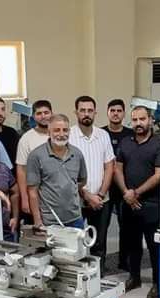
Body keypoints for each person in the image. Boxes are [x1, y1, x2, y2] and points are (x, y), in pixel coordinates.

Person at [115, 106, 160, 298]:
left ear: (150, 120)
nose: (138, 123)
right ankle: (134, 277)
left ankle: (157, 284)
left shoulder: (159, 145)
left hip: (151, 204)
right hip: (128, 203)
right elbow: (117, 169)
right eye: (135, 120)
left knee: (154, 247)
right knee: (132, 244)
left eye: (142, 119)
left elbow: (159, 174)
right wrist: (126, 193)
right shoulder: (125, 143)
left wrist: (136, 192)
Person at [69, 96, 115, 270]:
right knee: (75, 242)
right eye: (82, 110)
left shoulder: (103, 135)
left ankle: (98, 276)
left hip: (101, 199)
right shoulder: (69, 136)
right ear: (76, 112)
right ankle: (77, 275)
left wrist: (100, 195)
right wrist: (87, 195)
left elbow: (109, 167)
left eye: (90, 110)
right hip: (76, 200)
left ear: (95, 112)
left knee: (99, 241)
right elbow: (68, 172)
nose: (86, 114)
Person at [27, 114, 88, 230]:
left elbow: (82, 181)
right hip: (49, 221)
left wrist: (68, 189)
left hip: (75, 219)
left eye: (65, 130)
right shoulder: (36, 156)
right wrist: (37, 221)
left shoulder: (77, 154)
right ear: (49, 132)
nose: (61, 134)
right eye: (56, 130)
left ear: (69, 131)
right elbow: (32, 191)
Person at [102, 99, 135, 273]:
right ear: (107, 112)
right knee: (102, 227)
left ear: (123, 113)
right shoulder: (101, 134)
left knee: (126, 227)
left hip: (124, 187)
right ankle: (100, 263)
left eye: (119, 110)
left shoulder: (130, 134)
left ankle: (125, 261)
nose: (116, 113)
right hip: (105, 188)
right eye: (112, 110)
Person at [16, 100, 52, 222]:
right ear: (33, 116)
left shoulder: (58, 135)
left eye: (46, 112)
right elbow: (21, 170)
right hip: (35, 196)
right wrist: (25, 198)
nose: (43, 116)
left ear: (52, 113)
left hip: (56, 196)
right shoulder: (26, 139)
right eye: (39, 113)